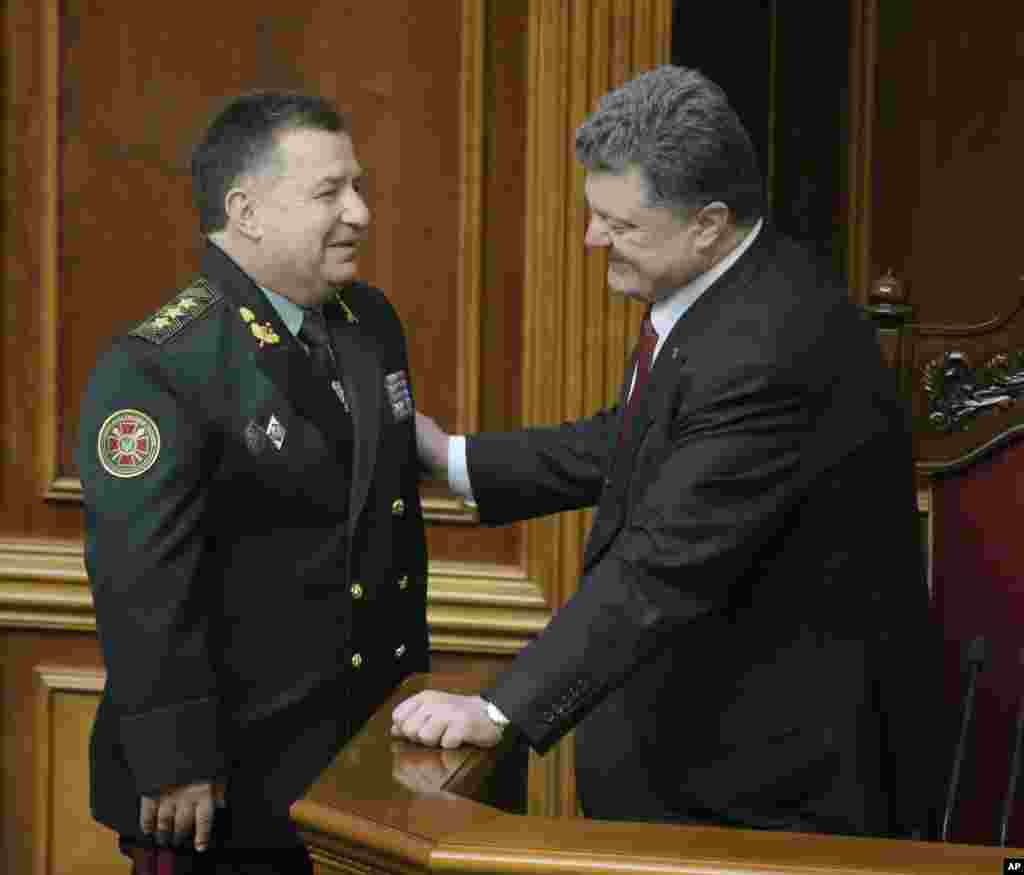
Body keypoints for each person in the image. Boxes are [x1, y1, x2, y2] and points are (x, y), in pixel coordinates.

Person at [391, 65, 934, 839]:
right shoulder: (728, 291)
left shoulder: (771, 345)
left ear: (708, 223)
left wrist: (497, 709)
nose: (591, 240)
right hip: (708, 763)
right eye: (593, 213)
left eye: (620, 224)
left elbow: (660, 564)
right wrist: (454, 459)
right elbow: (635, 434)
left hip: (763, 800)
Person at [78, 91, 429, 873]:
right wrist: (174, 756)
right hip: (231, 776)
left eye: (358, 186)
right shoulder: (162, 364)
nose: (361, 212)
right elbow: (143, 579)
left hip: (363, 756)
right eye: (329, 192)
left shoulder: (368, 322)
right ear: (246, 212)